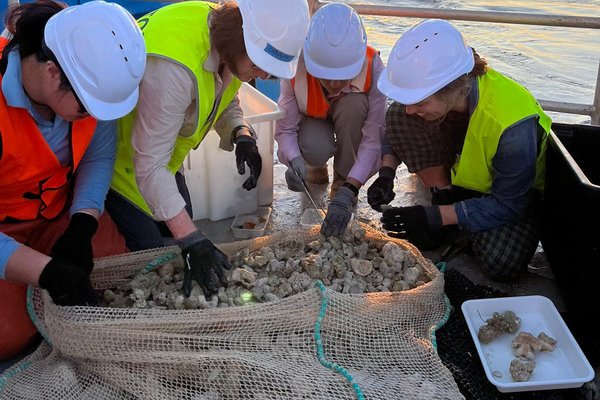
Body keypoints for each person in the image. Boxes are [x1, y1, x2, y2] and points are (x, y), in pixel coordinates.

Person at [106, 0, 310, 299]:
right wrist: (190, 238)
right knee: (154, 264)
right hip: (120, 168)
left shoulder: (222, 34)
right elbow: (147, 167)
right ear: (241, 38)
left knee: (180, 240)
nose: (264, 76)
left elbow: (224, 95)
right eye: (259, 65)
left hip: (164, 163)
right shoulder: (174, 68)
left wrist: (241, 133)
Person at [0, 0, 145, 359]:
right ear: (52, 73)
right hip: (5, 228)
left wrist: (82, 224)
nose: (93, 117)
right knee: (7, 337)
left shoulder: (89, 87)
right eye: (86, 109)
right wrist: (44, 271)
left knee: (120, 277)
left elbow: (97, 157)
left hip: (59, 211)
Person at [368, 19, 551, 281]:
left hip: (512, 195)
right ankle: (446, 198)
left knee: (502, 263)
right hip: (465, 180)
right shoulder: (453, 95)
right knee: (397, 114)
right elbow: (397, 124)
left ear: (451, 89)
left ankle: (457, 219)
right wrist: (386, 173)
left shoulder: (511, 125)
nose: (411, 109)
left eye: (420, 101)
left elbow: (509, 205)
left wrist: (433, 217)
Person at [275, 3, 386, 237]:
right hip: (312, 122)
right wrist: (292, 159)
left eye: (343, 75)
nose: (335, 84)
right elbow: (285, 128)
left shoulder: (373, 64)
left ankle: (343, 181)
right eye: (327, 76)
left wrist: (353, 185)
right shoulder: (295, 65)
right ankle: (313, 167)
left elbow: (375, 134)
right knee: (314, 147)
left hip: (350, 117)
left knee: (355, 105)